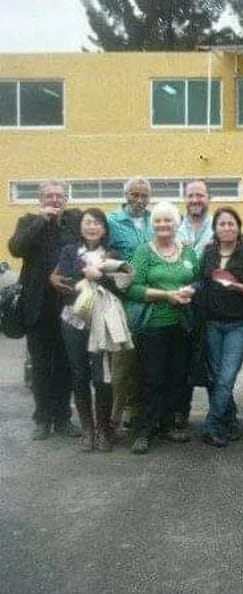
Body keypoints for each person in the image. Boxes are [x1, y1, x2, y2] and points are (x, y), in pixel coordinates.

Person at [50, 209, 133, 452]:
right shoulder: (69, 251)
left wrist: (100, 275)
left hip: (102, 322)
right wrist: (87, 274)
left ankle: (104, 429)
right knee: (79, 374)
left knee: (102, 377)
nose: (92, 227)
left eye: (97, 223)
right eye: (87, 222)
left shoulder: (113, 254)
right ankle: (87, 429)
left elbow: (123, 287)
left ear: (104, 229)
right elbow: (63, 281)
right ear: (81, 227)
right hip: (73, 320)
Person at [8, 180, 81, 440]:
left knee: (65, 364)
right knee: (39, 366)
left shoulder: (74, 221)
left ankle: (63, 418)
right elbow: (16, 248)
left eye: (59, 196)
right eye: (49, 196)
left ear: (66, 199)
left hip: (68, 304)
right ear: (41, 200)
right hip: (37, 306)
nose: (54, 200)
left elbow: (86, 248)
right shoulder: (28, 221)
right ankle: (42, 419)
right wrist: (42, 220)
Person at [127, 201, 199, 454]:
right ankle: (145, 431)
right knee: (152, 379)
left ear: (176, 223)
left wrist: (190, 290)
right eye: (158, 221)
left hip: (181, 325)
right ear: (152, 224)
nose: (163, 225)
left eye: (168, 220)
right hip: (153, 327)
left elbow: (197, 280)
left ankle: (168, 425)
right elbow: (132, 288)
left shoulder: (188, 252)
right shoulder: (143, 252)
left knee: (175, 377)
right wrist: (166, 295)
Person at [196, 208, 243, 448]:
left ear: (238, 227)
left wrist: (238, 287)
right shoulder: (207, 253)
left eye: (231, 224)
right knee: (217, 377)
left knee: (226, 377)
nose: (227, 228)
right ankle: (232, 421)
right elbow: (199, 281)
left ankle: (211, 424)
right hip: (211, 325)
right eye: (222, 224)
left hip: (238, 325)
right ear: (215, 229)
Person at [107, 177, 154, 431]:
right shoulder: (112, 222)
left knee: (143, 361)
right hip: (122, 302)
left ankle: (135, 414)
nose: (139, 200)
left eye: (144, 195)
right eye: (134, 195)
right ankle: (112, 418)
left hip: (148, 299)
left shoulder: (153, 221)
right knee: (121, 362)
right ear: (126, 195)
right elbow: (103, 256)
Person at [175, 179, 214, 427]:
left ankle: (221, 415)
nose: (195, 200)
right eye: (191, 195)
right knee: (182, 360)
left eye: (200, 195)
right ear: (185, 199)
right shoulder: (175, 226)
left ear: (208, 198)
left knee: (213, 361)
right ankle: (180, 413)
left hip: (210, 304)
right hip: (179, 302)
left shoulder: (218, 226)